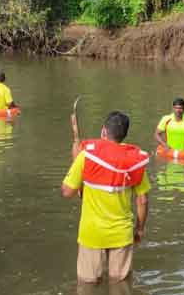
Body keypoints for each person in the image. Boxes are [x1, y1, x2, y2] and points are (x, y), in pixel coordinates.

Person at [61, 111, 151, 284]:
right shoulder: (134, 162)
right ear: (124, 136)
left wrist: (75, 163)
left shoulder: (85, 157)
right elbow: (143, 200)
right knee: (121, 286)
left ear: (103, 131)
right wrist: (139, 229)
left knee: (87, 287)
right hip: (121, 234)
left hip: (91, 234)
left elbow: (67, 192)